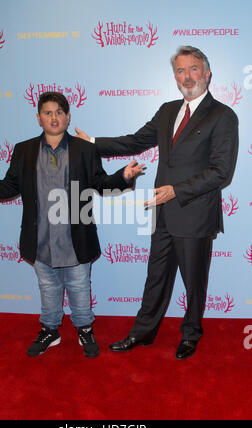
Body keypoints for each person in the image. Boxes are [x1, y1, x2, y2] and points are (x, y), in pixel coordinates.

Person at [75, 46, 239, 360]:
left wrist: (176, 190)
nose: (187, 76)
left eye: (193, 69)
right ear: (174, 76)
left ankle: (191, 334)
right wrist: (92, 143)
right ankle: (142, 332)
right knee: (156, 276)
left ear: (207, 73)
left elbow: (221, 172)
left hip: (194, 212)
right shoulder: (167, 110)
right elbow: (135, 141)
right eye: (180, 70)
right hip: (162, 212)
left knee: (194, 282)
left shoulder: (222, 115)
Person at [0, 92, 144, 359]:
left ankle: (84, 328)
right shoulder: (24, 150)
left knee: (79, 286)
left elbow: (100, 184)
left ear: (67, 116)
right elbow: (10, 186)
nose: (54, 117)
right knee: (48, 287)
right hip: (40, 235)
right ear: (39, 117)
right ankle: (50, 330)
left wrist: (123, 177)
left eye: (59, 112)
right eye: (48, 112)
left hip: (76, 235)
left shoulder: (85, 149)